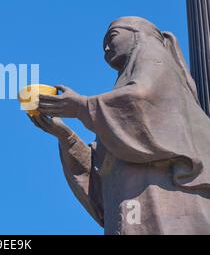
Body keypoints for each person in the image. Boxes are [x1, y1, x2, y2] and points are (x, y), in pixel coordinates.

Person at [29, 17, 210, 234]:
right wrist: (67, 138)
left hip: (162, 202)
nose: (106, 48)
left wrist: (82, 107)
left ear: (137, 33)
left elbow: (142, 99)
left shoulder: (155, 59)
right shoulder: (115, 108)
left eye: (112, 37)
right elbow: (103, 177)